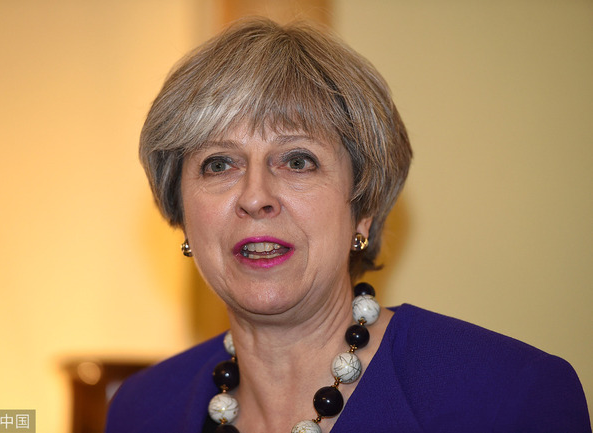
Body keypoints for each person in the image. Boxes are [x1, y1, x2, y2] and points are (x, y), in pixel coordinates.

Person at [106, 17, 590, 433]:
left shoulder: (506, 396)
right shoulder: (141, 410)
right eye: (218, 164)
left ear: (364, 205)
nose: (255, 197)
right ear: (182, 211)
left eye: (298, 161)